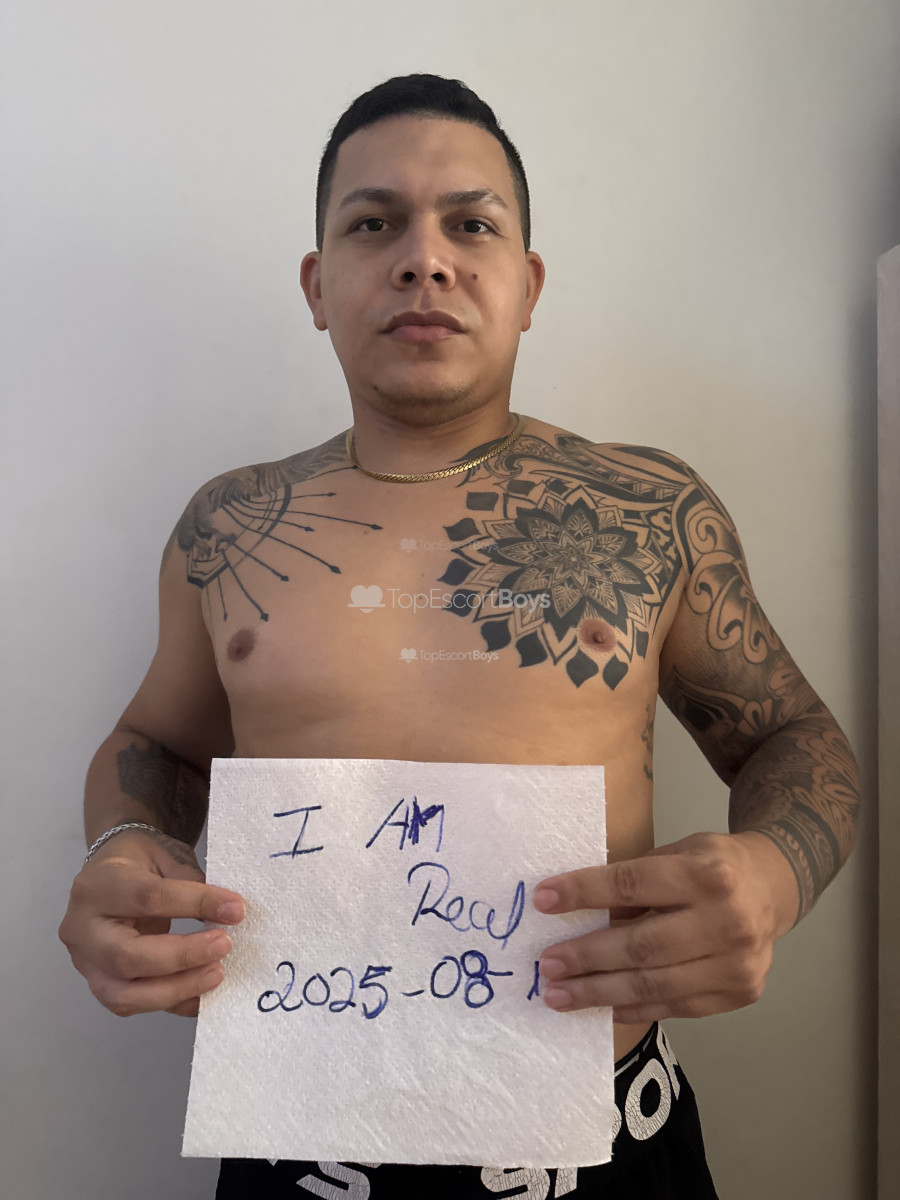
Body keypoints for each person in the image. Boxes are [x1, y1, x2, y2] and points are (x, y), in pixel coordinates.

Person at [59, 73, 860, 1199]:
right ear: (318, 285)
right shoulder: (230, 529)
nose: (424, 260)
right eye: (374, 223)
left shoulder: (651, 512)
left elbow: (795, 738)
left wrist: (772, 878)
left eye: (471, 225)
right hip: (299, 1136)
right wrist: (121, 848)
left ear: (528, 285)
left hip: (600, 1139)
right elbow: (153, 745)